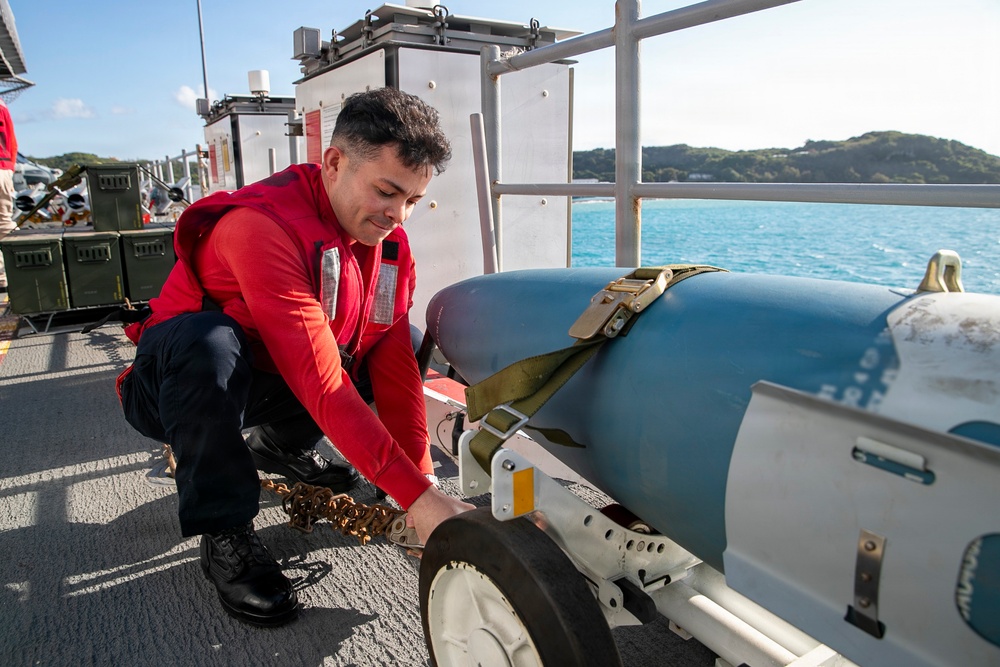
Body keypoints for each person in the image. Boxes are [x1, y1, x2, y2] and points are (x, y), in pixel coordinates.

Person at [116, 87, 474, 627]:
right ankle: (225, 533)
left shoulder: (390, 249)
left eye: (412, 201)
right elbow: (321, 382)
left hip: (268, 383)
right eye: (386, 191)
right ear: (334, 162)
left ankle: (279, 446)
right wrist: (423, 504)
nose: (396, 216)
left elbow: (396, 368)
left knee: (369, 344)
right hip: (177, 390)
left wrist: (420, 485)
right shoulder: (261, 227)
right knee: (207, 341)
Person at [0, 97, 18, 292]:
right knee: (4, 222)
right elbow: (13, 142)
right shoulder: (3, 104)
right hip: (4, 166)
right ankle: (13, 272)